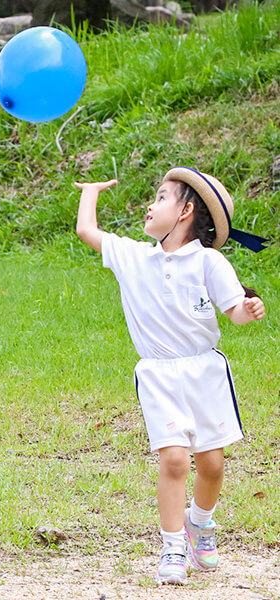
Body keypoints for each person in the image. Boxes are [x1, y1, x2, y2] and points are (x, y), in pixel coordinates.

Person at [74, 167, 266, 585]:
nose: (150, 204)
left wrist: (248, 310)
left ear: (185, 211)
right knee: (175, 460)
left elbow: (234, 311)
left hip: (205, 372)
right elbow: (87, 230)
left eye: (160, 197)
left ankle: (200, 523)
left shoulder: (209, 262)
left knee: (212, 466)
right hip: (158, 374)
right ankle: (173, 546)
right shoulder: (133, 256)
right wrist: (90, 191)